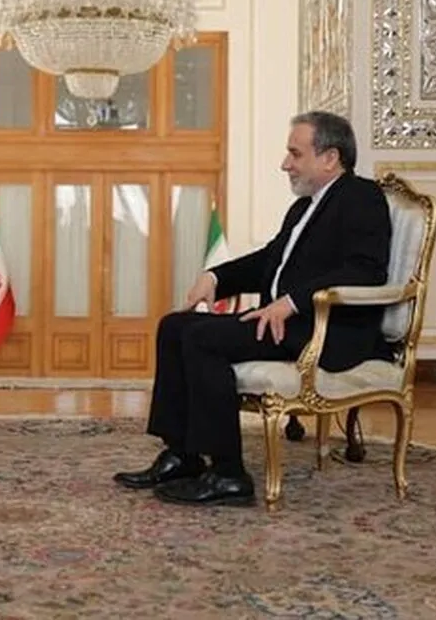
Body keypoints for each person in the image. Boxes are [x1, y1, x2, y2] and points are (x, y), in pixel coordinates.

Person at [112, 111, 392, 506]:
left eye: (295, 154)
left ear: (330, 158)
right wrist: (216, 277)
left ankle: (228, 474)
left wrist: (292, 303)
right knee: (174, 325)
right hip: (283, 324)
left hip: (323, 331)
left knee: (202, 338)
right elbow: (267, 262)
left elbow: (365, 270)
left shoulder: (362, 197)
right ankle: (183, 455)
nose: (285, 164)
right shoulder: (303, 208)